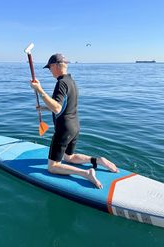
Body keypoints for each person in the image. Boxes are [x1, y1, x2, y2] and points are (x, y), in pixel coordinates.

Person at [30, 53, 118, 189]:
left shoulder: (60, 83)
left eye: (49, 68)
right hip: (75, 126)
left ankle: (86, 173)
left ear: (55, 66)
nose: (49, 71)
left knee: (52, 167)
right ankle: (97, 160)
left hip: (64, 129)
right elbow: (66, 105)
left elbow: (58, 107)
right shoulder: (71, 81)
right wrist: (44, 108)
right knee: (68, 158)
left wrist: (40, 90)